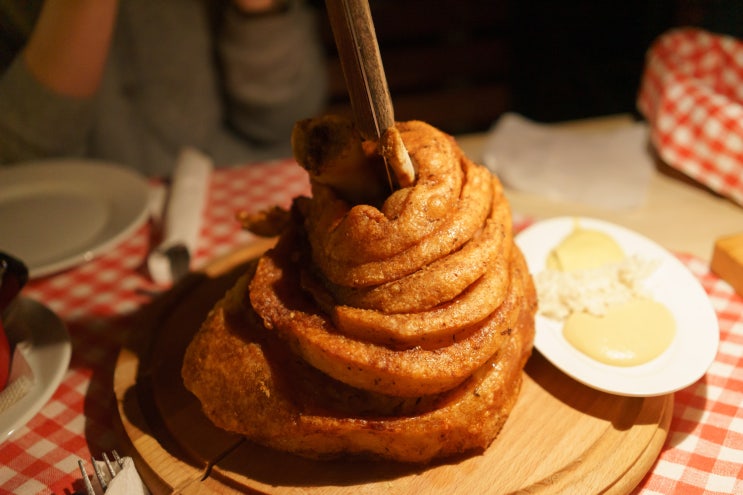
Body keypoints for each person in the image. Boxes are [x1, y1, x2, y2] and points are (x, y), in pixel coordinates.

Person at [0, 0, 328, 176]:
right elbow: (25, 169)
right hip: (80, 228)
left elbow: (285, 121)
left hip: (247, 200)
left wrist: (257, 8)